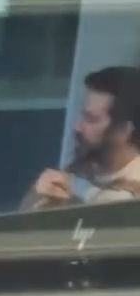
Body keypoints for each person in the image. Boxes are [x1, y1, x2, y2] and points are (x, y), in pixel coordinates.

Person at [22, 65, 140, 209]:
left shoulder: (131, 199)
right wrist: (34, 200)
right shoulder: (83, 172)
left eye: (91, 119)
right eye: (83, 116)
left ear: (123, 130)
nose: (78, 127)